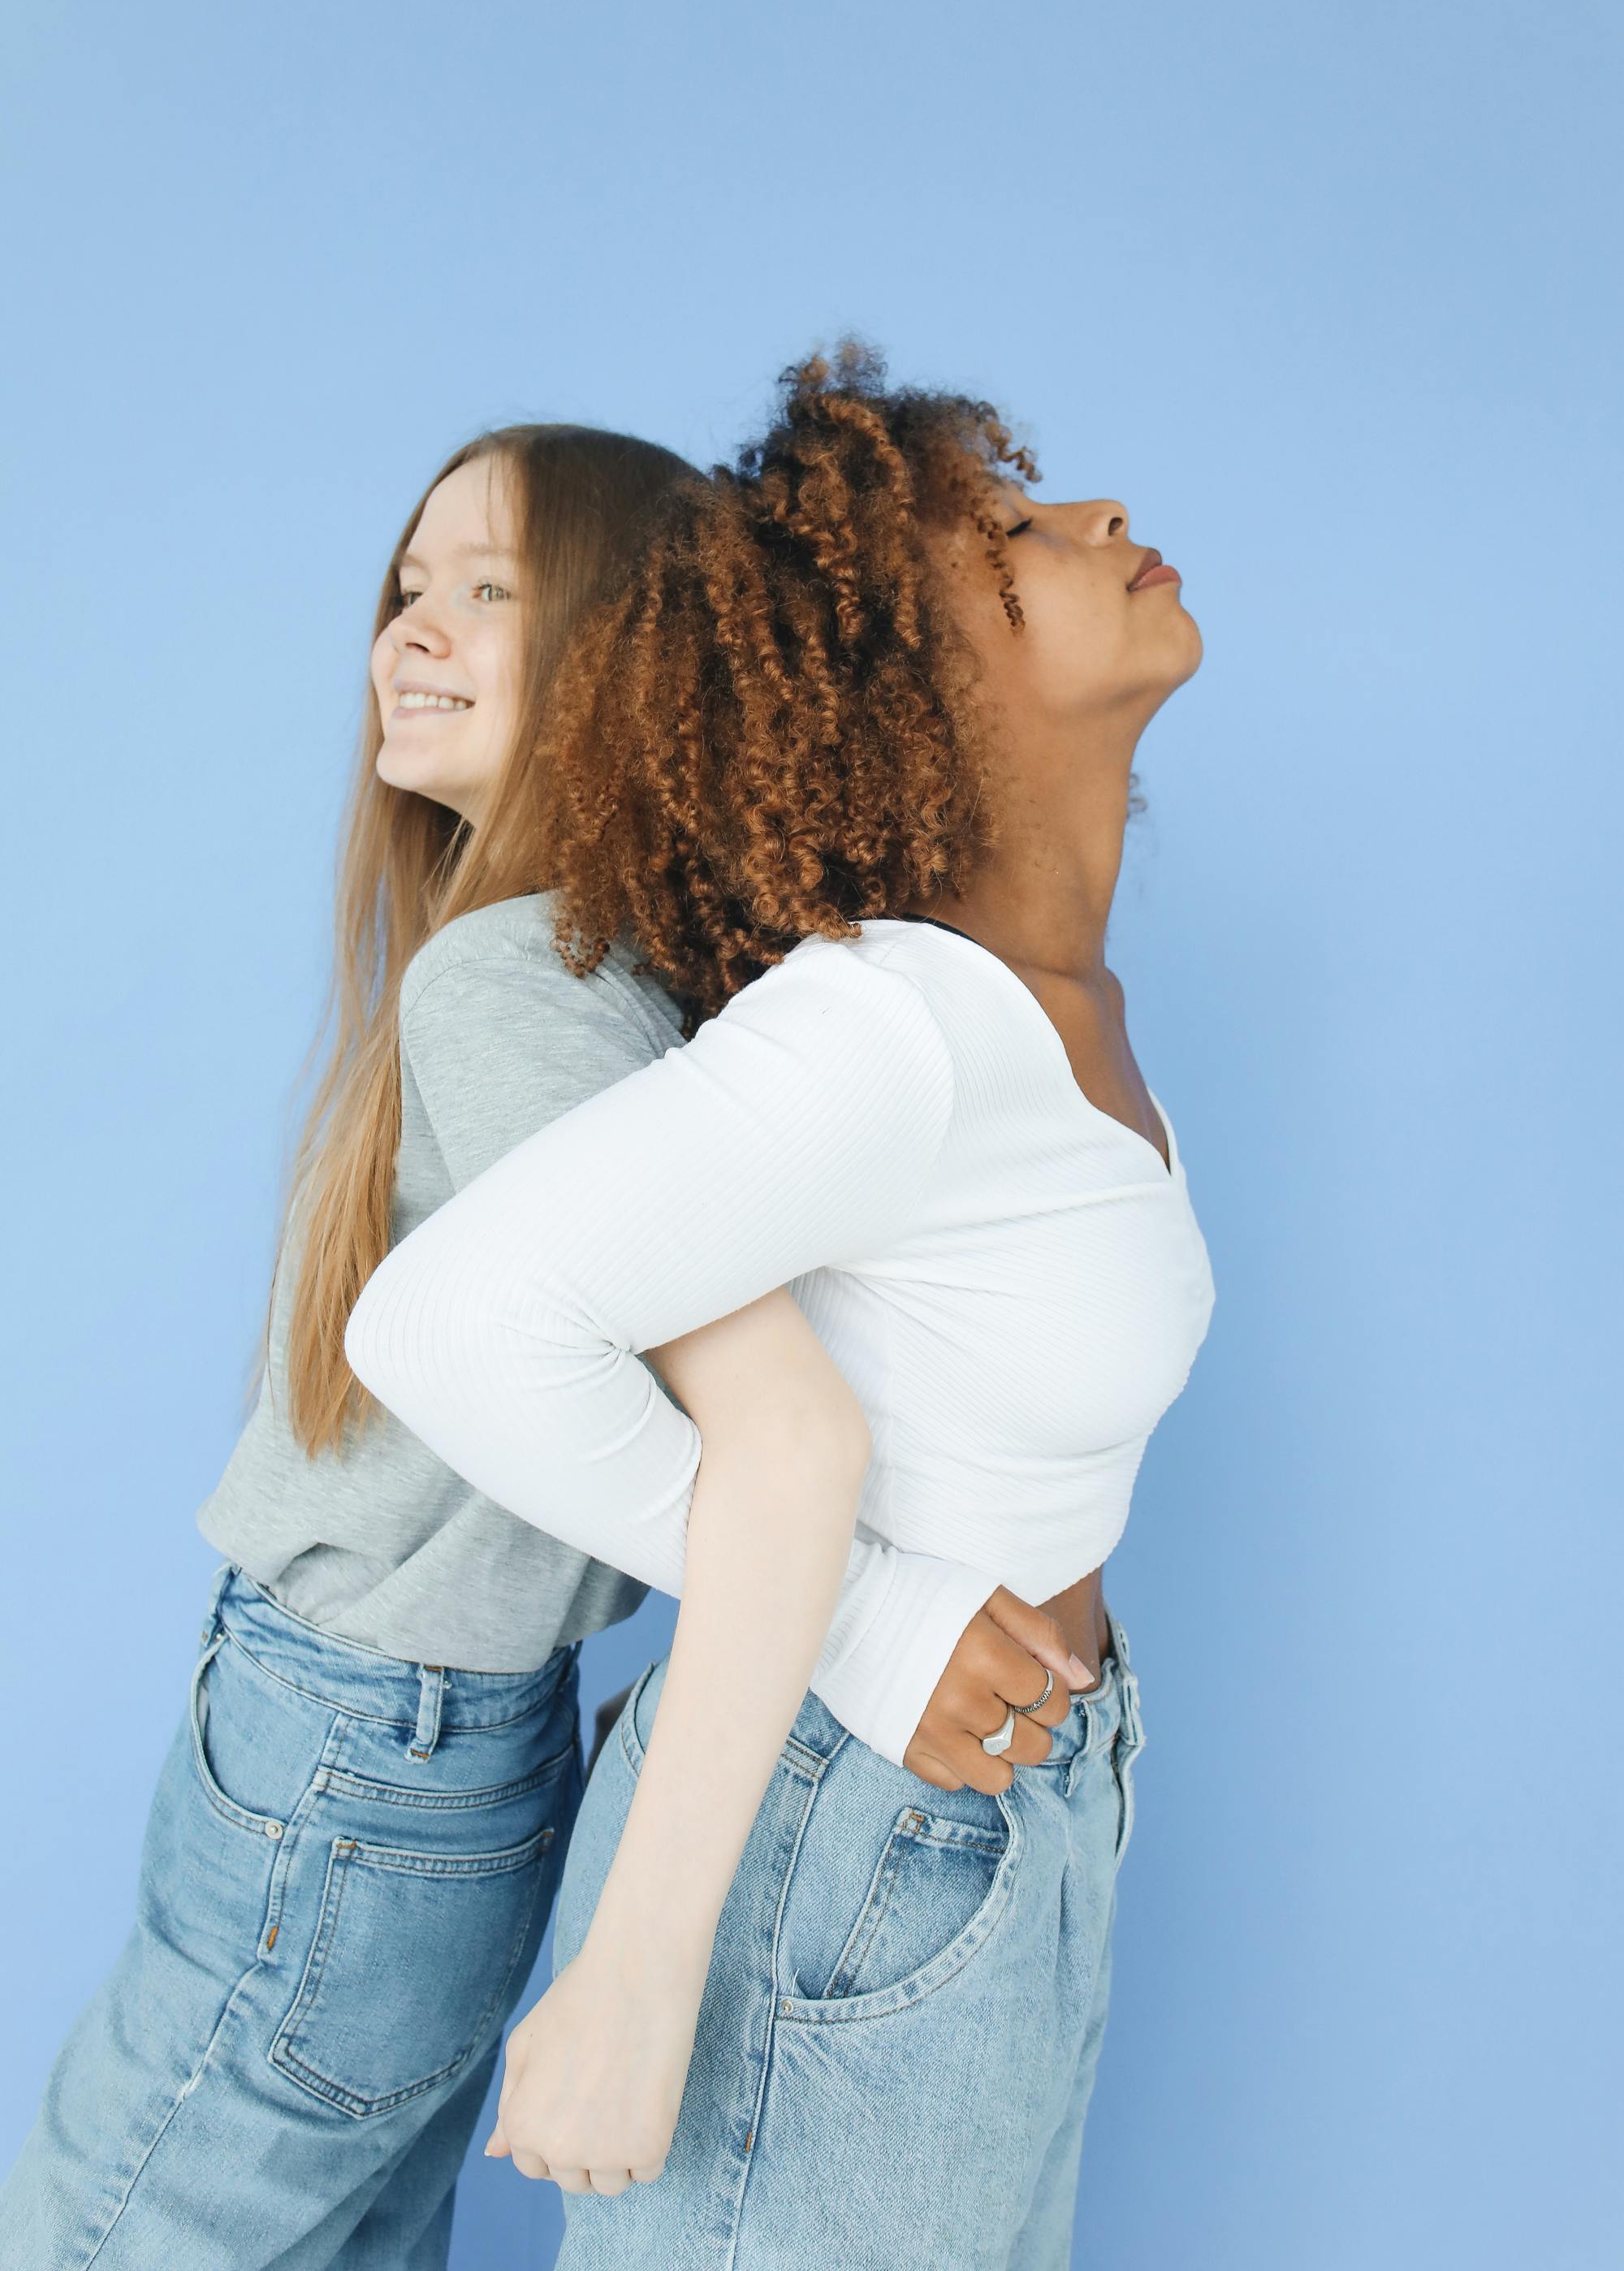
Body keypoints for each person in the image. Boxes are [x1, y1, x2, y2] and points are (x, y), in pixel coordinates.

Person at [2, 409, 1088, 2271]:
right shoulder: (619, 976)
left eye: (487, 592)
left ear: (629, 658)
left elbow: (777, 1429)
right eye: (406, 590)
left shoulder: (512, 976)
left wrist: (876, 1621)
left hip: (348, 1748)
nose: (407, 634)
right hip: (464, 1760)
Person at [343, 346, 1216, 2269]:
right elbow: (441, 1328)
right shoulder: (889, 1025)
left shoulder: (1044, 1007)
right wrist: (867, 1616)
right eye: (1010, 540)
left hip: (1001, 1818)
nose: (1098, 524)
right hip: (849, 1841)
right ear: (922, 689)